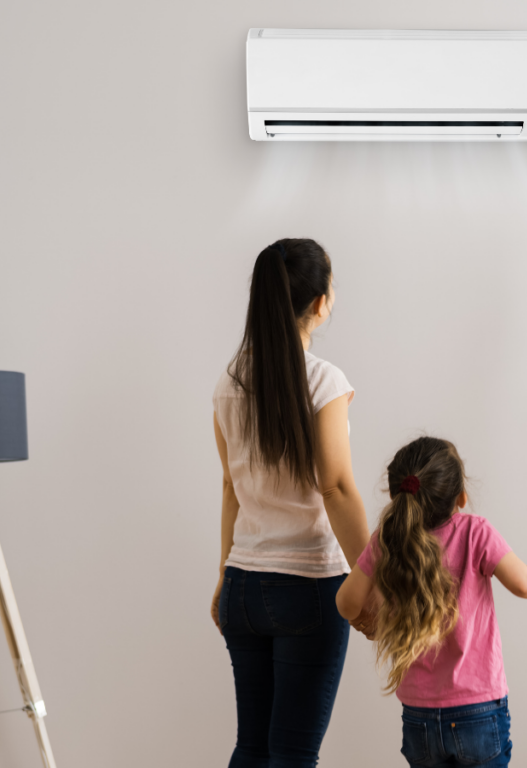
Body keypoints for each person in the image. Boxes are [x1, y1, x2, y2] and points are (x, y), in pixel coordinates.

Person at [211, 238, 373, 768]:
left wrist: (222, 577)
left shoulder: (229, 384)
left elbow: (231, 488)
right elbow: (336, 487)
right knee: (293, 754)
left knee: (253, 747)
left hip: (242, 586)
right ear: (320, 303)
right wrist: (375, 574)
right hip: (308, 586)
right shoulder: (324, 381)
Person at [336, 437, 527, 768]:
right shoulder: (475, 532)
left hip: (419, 715)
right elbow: (525, 585)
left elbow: (346, 603)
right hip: (478, 708)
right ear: (461, 496)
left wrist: (372, 623)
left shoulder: (387, 538)